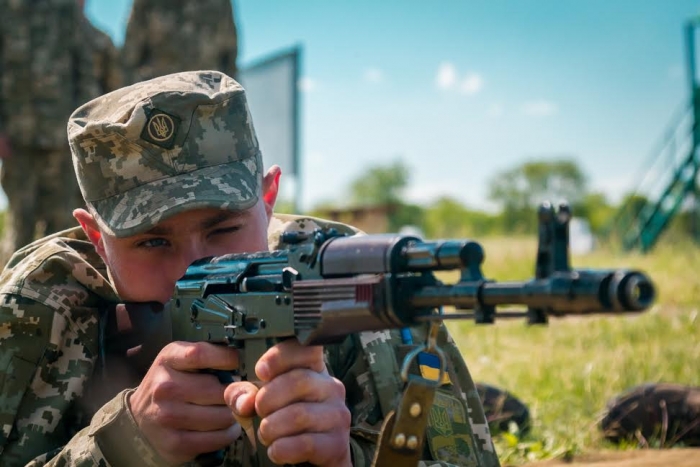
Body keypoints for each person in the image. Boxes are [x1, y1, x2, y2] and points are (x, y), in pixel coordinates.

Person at [0, 70, 500, 466]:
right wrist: (125, 442)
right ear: (96, 238)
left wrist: (347, 460)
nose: (194, 266)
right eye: (152, 241)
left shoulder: (355, 282)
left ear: (268, 198)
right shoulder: (39, 308)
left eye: (222, 230)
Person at [0, 0, 98, 265]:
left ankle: (56, 298)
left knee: (61, 227)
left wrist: (84, 126)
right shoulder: (6, 10)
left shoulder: (63, 9)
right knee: (21, 224)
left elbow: (84, 68)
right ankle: (12, 298)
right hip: (18, 140)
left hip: (60, 138)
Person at [122, 0, 239, 85]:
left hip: (209, 97)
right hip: (160, 100)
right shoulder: (147, 3)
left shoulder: (221, 3)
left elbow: (230, 53)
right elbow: (130, 57)